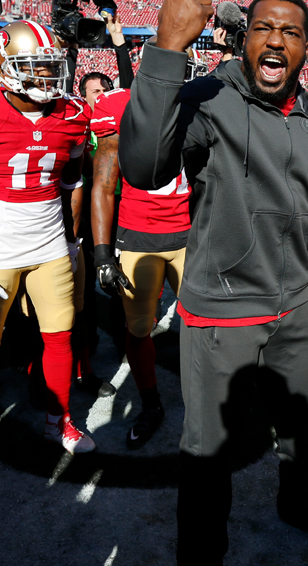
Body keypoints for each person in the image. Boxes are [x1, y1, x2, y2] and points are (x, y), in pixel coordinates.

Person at [118, 0, 308, 564]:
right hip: (221, 311)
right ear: (246, 39)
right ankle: (201, 549)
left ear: (306, 50)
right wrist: (166, 47)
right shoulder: (207, 96)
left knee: (303, 431)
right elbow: (142, 168)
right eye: (264, 28)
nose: (276, 40)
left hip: (295, 305)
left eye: (291, 32)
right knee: (207, 449)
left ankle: (298, 501)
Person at [0, 20, 95, 505]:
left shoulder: (70, 114)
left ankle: (59, 417)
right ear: (5, 68)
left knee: (59, 337)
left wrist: (72, 240)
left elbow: (70, 182)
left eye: (54, 67)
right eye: (37, 68)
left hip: (50, 244)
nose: (50, 78)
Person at [89, 49, 208, 448]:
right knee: (139, 328)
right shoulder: (118, 104)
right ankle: (151, 404)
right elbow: (104, 185)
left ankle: (206, 403)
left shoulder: (200, 101)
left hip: (191, 233)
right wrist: (103, 252)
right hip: (138, 235)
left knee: (205, 324)